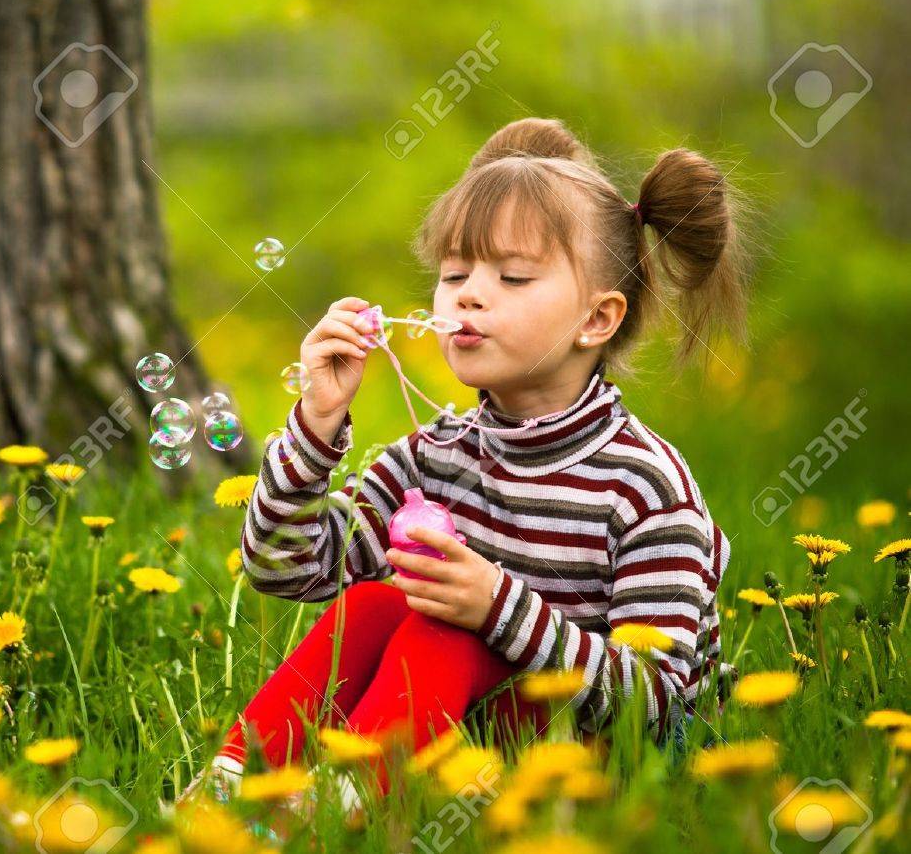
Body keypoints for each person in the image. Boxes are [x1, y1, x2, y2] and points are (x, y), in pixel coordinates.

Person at [185, 116, 744, 808]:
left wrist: (495, 607)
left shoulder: (644, 485)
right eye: (454, 273)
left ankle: (334, 811)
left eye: (511, 276)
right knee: (370, 603)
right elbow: (285, 567)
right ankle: (225, 793)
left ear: (596, 320)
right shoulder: (436, 455)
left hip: (608, 770)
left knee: (447, 634)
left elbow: (656, 703)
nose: (468, 295)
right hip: (467, 738)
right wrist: (316, 421)